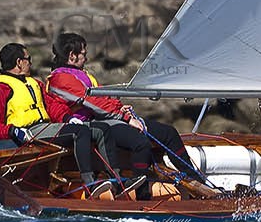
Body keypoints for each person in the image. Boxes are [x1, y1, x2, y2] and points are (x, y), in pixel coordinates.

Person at [45, 31, 196, 180]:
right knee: (140, 143)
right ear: (72, 56)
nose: (87, 58)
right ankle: (141, 189)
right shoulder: (60, 79)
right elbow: (94, 103)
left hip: (107, 118)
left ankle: (195, 179)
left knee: (169, 133)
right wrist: (126, 118)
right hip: (93, 125)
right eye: (84, 54)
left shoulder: (82, 75)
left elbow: (103, 97)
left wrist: (120, 108)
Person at [0, 42, 108, 195]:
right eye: (28, 59)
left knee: (100, 130)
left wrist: (67, 118)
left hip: (47, 128)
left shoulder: (35, 84)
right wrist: (13, 131)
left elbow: (52, 106)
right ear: (19, 62)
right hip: (30, 133)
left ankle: (116, 179)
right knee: (80, 132)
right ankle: (90, 183)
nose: (31, 63)